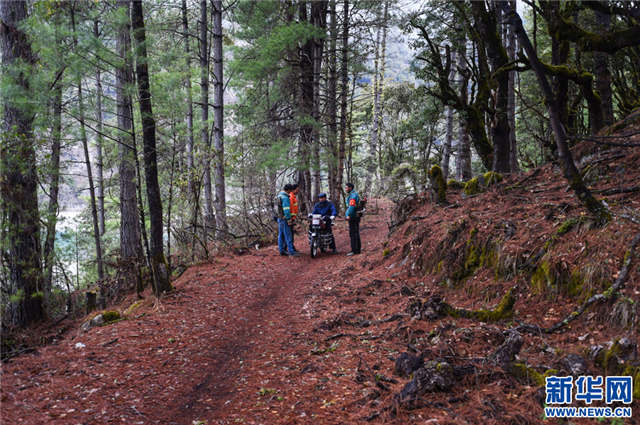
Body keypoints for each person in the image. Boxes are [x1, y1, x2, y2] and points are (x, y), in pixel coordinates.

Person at [276, 184, 299, 256]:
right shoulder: (285, 198)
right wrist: (289, 219)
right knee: (288, 235)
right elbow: (286, 210)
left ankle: (281, 250)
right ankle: (291, 252)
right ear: (289, 190)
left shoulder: (279, 196)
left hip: (279, 218)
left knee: (281, 235)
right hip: (285, 219)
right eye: (291, 190)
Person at [344, 182, 361, 256]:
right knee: (355, 232)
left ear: (350, 188)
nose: (346, 189)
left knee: (353, 233)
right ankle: (357, 249)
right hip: (355, 216)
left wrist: (347, 214)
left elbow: (351, 207)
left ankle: (354, 250)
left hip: (353, 217)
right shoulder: (352, 194)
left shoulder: (353, 195)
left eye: (346, 187)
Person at [289, 183, 299, 248]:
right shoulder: (291, 197)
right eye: (297, 189)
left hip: (293, 218)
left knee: (291, 233)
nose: (298, 191)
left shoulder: (293, 197)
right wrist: (292, 217)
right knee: (289, 234)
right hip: (290, 218)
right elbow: (291, 208)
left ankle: (292, 247)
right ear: (294, 189)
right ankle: (291, 248)